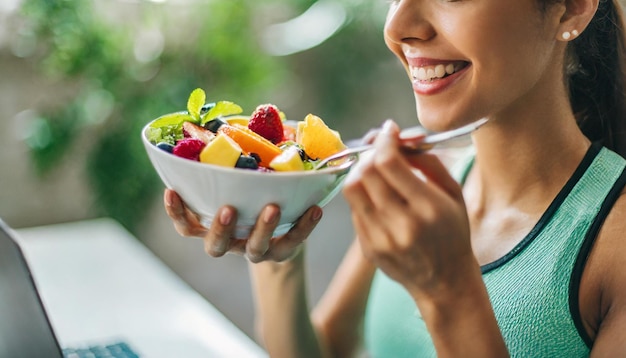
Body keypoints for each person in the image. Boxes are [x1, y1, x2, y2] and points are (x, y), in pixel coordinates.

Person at [164, 0, 626, 356]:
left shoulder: (614, 249)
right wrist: (272, 230)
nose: (399, 26)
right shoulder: (425, 184)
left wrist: (450, 296)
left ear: (572, 6)